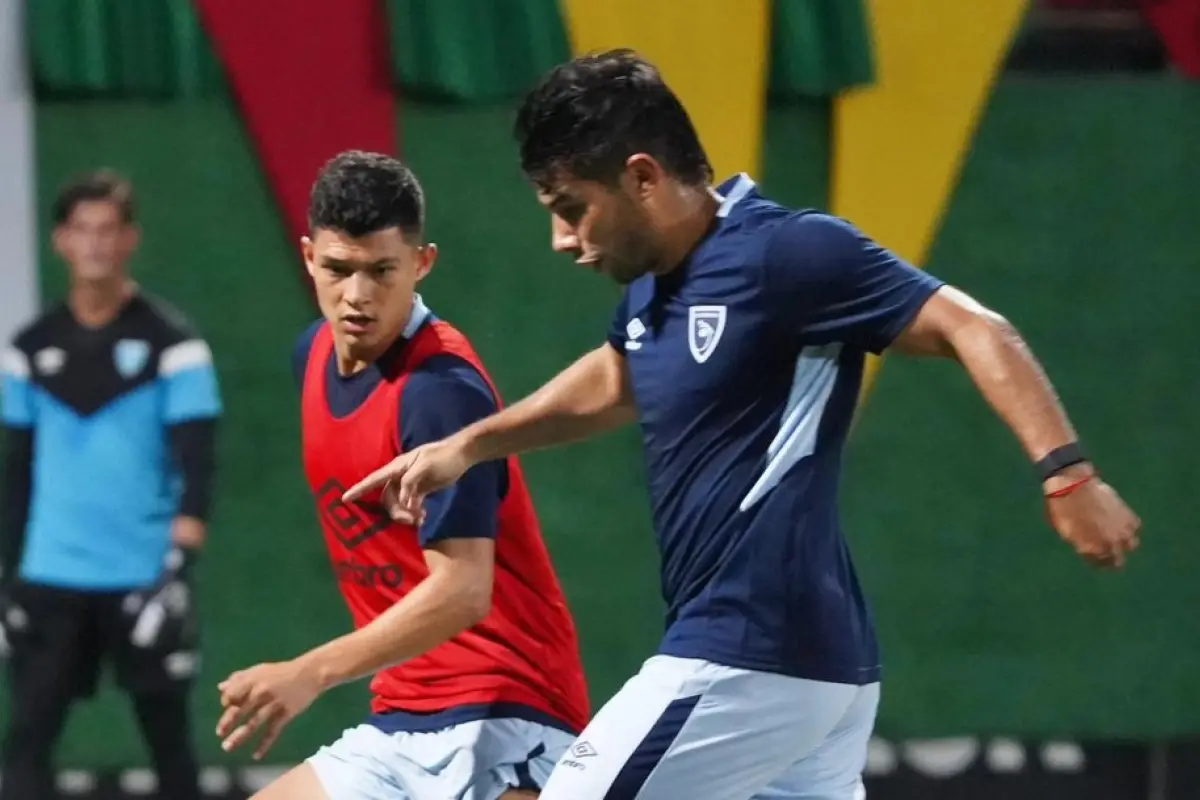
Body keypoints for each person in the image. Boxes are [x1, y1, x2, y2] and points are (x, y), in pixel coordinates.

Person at [343, 51, 1143, 800]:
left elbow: (979, 329)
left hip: (752, 652)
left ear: (643, 177)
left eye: (571, 210)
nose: (563, 240)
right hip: (814, 673)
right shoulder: (655, 291)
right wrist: (468, 446)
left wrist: (1067, 473)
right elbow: (616, 376)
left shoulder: (788, 255)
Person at [215, 150, 590, 800]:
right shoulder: (312, 356)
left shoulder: (438, 391)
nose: (357, 296)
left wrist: (310, 672)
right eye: (338, 270)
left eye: (381, 272)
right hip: (401, 719)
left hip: (508, 711)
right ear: (308, 257)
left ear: (422, 264)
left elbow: (464, 591)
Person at [0, 170, 219, 800]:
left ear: (130, 240)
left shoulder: (173, 347)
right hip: (49, 580)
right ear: (60, 241)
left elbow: (197, 463)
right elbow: (16, 471)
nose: (96, 244)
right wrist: (7, 577)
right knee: (26, 743)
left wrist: (176, 569)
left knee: (170, 744)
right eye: (82, 230)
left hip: (143, 580)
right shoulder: (28, 350)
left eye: (108, 230)